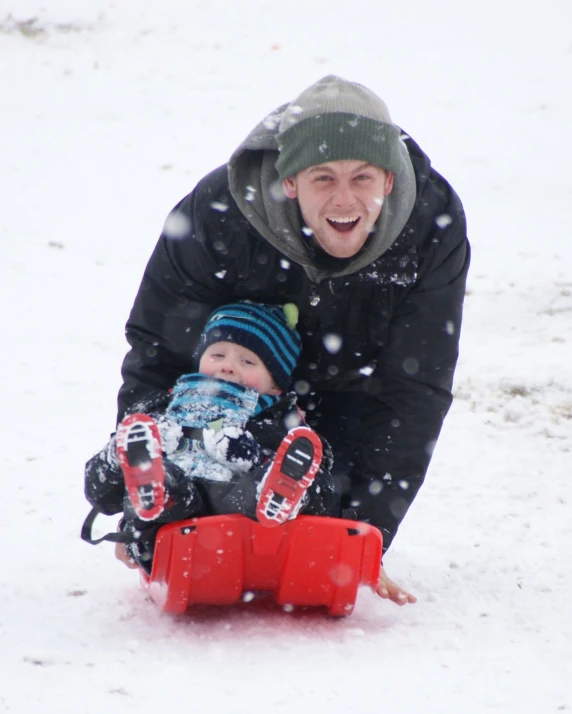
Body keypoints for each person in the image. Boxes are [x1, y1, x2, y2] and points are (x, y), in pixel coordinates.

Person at [114, 75, 470, 605]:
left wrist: (366, 536)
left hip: (353, 391)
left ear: (390, 181)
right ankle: (167, 503)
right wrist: (135, 505)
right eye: (323, 178)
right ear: (289, 183)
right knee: (203, 495)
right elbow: (157, 350)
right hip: (234, 391)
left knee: (317, 514)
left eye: (363, 177)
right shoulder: (218, 214)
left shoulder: (431, 227)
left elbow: (414, 385)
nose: (345, 199)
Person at [83, 301, 336, 572]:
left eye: (247, 361)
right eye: (217, 355)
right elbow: (103, 497)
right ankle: (155, 487)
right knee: (168, 485)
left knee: (263, 492)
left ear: (275, 385)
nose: (228, 367)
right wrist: (117, 454)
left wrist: (255, 456)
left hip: (242, 531)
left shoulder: (279, 422)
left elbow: (326, 496)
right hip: (167, 537)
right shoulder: (160, 409)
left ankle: (273, 491)